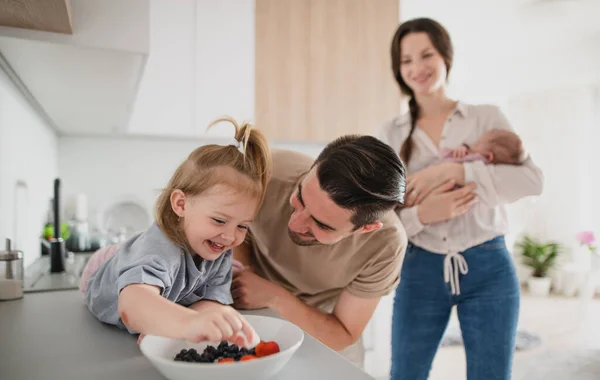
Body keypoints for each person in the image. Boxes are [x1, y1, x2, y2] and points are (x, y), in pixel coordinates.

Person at [377, 18, 544, 380]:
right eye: (406, 60)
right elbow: (380, 218)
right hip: (419, 268)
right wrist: (422, 214)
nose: (417, 68)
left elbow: (532, 180)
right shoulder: (390, 133)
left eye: (426, 55)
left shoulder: (486, 118)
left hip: (489, 266)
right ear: (398, 68)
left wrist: (455, 172)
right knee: (405, 373)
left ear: (445, 56)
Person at [79, 116, 272, 348]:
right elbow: (132, 306)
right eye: (219, 220)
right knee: (143, 264)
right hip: (102, 269)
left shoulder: (220, 249)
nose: (231, 237)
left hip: (167, 277)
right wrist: (186, 324)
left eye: (242, 226)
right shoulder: (160, 250)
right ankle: (124, 254)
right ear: (181, 204)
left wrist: (208, 322)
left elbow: (211, 303)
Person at [230, 135, 408, 367]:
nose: (295, 224)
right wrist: (244, 271)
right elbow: (229, 225)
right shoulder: (265, 171)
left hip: (322, 329)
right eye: (300, 198)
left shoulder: (386, 245)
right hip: (249, 307)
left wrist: (273, 296)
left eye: (322, 224)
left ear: (365, 229)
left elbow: (342, 332)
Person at [440, 128, 526, 165]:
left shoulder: (478, 160)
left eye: (477, 144)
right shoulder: (478, 158)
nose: (473, 146)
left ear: (488, 156)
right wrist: (464, 147)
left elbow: (444, 158)